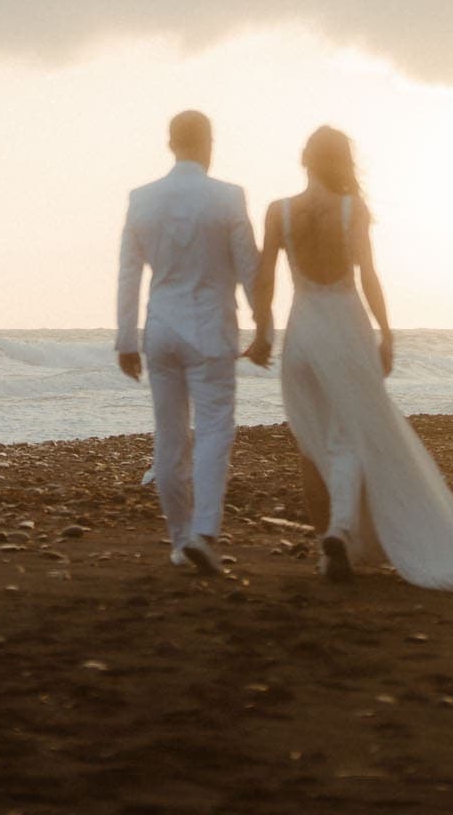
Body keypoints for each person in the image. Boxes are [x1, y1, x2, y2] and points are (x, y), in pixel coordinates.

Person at [255, 125, 453, 603]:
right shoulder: (351, 209)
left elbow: (264, 279)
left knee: (312, 441)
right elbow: (369, 275)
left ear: (304, 158)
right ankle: (339, 530)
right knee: (349, 435)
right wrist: (386, 332)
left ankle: (327, 547)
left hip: (302, 334)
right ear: (342, 162)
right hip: (345, 328)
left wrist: (261, 332)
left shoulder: (279, 211)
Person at [115, 109, 270, 574]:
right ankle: (204, 531)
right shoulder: (227, 198)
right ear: (208, 143)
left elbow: (128, 273)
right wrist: (264, 327)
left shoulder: (142, 199)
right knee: (215, 431)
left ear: (171, 143)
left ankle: (181, 540)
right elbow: (250, 269)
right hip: (210, 331)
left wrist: (125, 339)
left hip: (160, 330)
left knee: (169, 436)